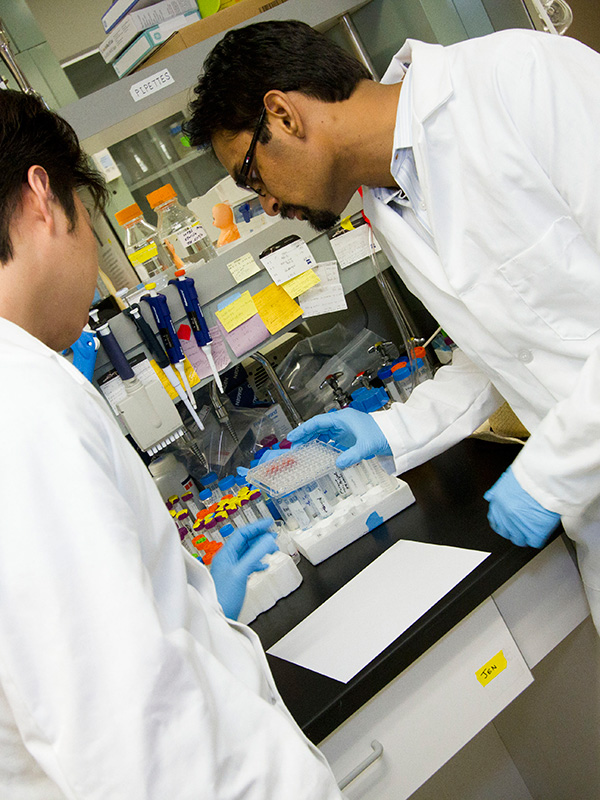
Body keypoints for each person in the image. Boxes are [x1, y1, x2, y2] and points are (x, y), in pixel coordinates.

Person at [186, 20, 600, 630]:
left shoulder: (519, 79)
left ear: (283, 115)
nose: (266, 203)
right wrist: (391, 429)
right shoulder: (386, 205)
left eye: (252, 176)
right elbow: (504, 346)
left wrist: (551, 472)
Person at [0, 89, 342, 799]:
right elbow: (131, 734)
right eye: (85, 213)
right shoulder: (25, 406)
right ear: (43, 197)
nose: (92, 251)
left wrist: (189, 609)